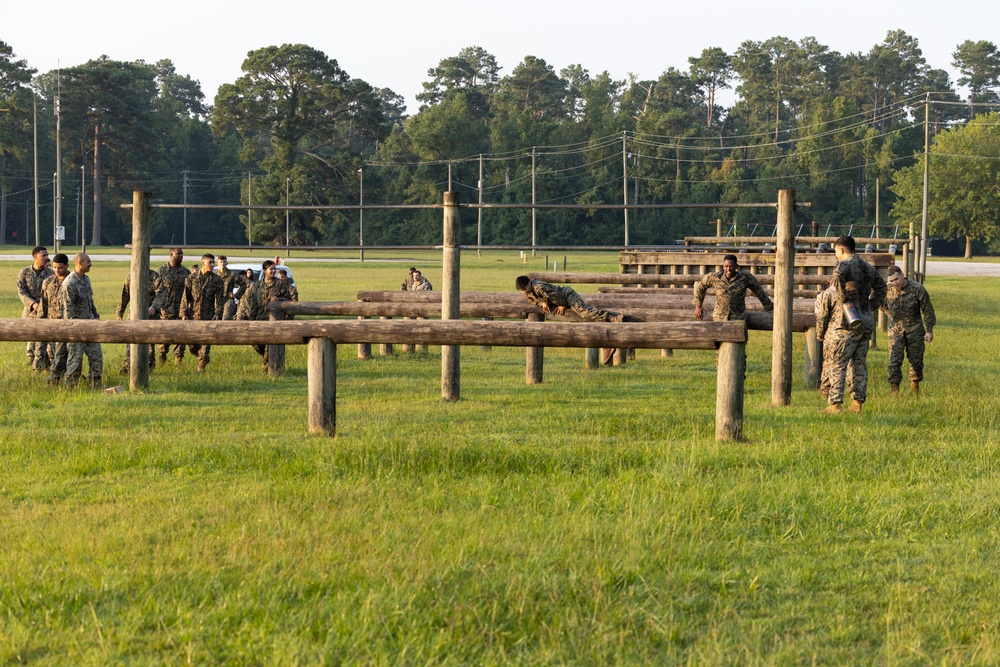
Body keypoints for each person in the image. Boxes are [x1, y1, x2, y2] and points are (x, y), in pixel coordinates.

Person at [819, 236, 887, 414]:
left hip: (846, 321)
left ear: (841, 250)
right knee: (859, 363)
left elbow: (837, 280)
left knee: (837, 362)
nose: (836, 254)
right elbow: (882, 288)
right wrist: (871, 305)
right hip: (865, 320)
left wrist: (843, 299)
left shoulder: (843, 265)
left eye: (835, 251)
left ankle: (835, 405)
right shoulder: (867, 267)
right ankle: (857, 404)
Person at [516, 276, 638, 365]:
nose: (524, 292)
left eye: (525, 288)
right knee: (587, 313)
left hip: (567, 295)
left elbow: (556, 296)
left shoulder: (539, 287)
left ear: (529, 282)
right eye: (522, 290)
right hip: (560, 298)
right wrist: (542, 302)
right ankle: (612, 321)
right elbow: (533, 301)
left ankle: (614, 318)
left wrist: (562, 305)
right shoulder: (528, 292)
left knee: (585, 312)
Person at [880, 265, 936, 395]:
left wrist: (929, 330)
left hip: (914, 329)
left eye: (896, 279)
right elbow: (880, 302)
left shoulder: (917, 289)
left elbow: (927, 310)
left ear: (902, 274)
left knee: (916, 361)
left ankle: (914, 386)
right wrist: (888, 313)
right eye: (891, 281)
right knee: (894, 361)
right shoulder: (887, 290)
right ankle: (895, 391)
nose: (895, 283)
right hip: (896, 330)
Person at [236, 260, 293, 373]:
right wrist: (251, 320)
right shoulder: (257, 285)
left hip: (273, 320)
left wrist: (278, 300)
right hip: (259, 319)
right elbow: (253, 304)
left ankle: (268, 369)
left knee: (269, 344)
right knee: (255, 342)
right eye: (270, 269)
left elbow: (289, 299)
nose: (273, 271)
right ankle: (267, 359)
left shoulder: (280, 284)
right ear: (264, 270)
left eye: (274, 269)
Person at [62, 252, 103, 389]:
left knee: (96, 358)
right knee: (75, 362)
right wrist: (73, 331)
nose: (90, 264)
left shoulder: (86, 280)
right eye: (88, 262)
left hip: (90, 326)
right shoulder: (70, 283)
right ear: (80, 263)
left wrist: (96, 315)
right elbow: (68, 310)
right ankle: (70, 388)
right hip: (77, 329)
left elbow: (89, 301)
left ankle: (95, 386)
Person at [692, 254, 773, 322]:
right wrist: (698, 306)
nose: (729, 269)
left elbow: (759, 292)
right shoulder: (715, 277)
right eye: (726, 266)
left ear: (736, 266)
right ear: (723, 267)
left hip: (738, 319)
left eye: (731, 266)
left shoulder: (746, 278)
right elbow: (701, 288)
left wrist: (769, 307)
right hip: (719, 319)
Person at [182, 253, 226, 371]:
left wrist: (218, 314)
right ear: (203, 263)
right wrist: (184, 314)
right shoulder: (192, 278)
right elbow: (185, 297)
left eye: (213, 262)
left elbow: (220, 300)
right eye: (209, 262)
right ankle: (202, 357)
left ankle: (200, 367)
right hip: (194, 316)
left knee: (205, 344)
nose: (212, 265)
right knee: (191, 345)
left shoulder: (217, 280)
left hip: (208, 317)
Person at [116, 268, 165, 374]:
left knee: (149, 345)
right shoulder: (131, 276)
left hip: (150, 316)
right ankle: (128, 367)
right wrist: (120, 313)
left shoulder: (154, 276)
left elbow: (161, 294)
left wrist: (154, 306)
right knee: (131, 342)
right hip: (134, 316)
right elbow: (125, 294)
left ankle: (149, 369)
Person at [16, 245, 54, 371]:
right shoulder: (24, 273)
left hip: (47, 314)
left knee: (48, 343)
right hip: (30, 313)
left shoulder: (51, 273)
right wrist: (32, 304)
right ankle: (33, 367)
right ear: (35, 257)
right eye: (44, 255)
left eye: (47, 255)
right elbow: (21, 291)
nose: (47, 258)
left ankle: (48, 366)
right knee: (32, 343)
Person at [155, 248, 190, 365]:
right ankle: (162, 358)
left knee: (181, 337)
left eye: (182, 254)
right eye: (178, 254)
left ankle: (178, 361)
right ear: (171, 255)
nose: (180, 256)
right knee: (164, 337)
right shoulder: (161, 271)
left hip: (180, 310)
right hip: (165, 311)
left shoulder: (186, 272)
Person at [40, 253, 70, 386]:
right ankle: (57, 378)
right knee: (56, 354)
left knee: (64, 355)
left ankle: (55, 379)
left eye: (60, 268)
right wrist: (40, 323)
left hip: (68, 325)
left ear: (67, 266)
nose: (57, 270)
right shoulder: (47, 282)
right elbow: (43, 304)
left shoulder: (72, 281)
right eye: (55, 267)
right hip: (52, 326)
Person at [217, 255, 239, 320]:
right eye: (220, 262)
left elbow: (243, 285)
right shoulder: (214, 274)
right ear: (217, 263)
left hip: (228, 300)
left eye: (224, 262)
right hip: (216, 301)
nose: (222, 264)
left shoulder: (232, 274)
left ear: (227, 263)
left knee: (226, 320)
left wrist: (235, 295)